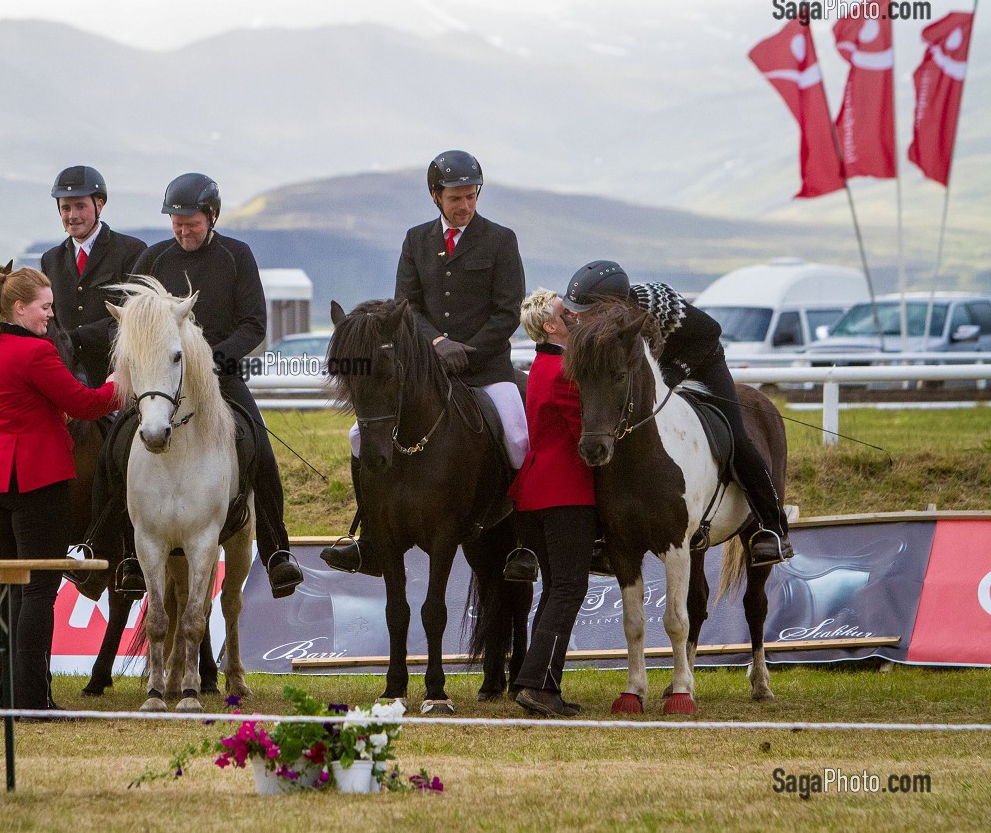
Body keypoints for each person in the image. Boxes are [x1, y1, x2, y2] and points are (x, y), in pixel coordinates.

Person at [322, 149, 527, 576]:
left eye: (471, 196)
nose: (466, 205)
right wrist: (436, 342)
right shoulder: (417, 240)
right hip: (429, 371)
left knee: (517, 438)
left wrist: (465, 350)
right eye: (456, 198)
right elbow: (407, 306)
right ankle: (370, 539)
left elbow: (507, 313)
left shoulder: (501, 240)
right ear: (436, 196)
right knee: (359, 436)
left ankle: (522, 542)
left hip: (487, 370)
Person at [119, 172, 304, 599]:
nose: (183, 230)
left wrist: (211, 361)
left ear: (212, 216)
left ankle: (278, 553)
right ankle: (114, 548)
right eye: (177, 222)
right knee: (116, 442)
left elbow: (254, 323)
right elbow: (132, 321)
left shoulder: (237, 256)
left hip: (221, 376)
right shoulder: (153, 259)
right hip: (161, 380)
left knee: (260, 448)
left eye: (192, 222)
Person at [559, 260, 793, 566]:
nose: (577, 315)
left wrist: (671, 376)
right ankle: (607, 537)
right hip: (660, 373)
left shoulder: (659, 304)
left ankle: (772, 528)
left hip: (703, 364)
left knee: (737, 438)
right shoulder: (601, 329)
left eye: (584, 309)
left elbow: (711, 331)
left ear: (608, 305)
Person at [0, 267, 122, 714]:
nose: (50, 317)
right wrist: (120, 384)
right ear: (19, 307)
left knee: (13, 585)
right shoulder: (36, 352)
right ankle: (32, 697)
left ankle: (9, 693)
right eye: (45, 307)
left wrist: (35, 413)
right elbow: (85, 403)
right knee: (39, 589)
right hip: (37, 478)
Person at [507, 290, 595, 717]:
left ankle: (540, 682)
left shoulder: (541, 366)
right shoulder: (563, 370)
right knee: (568, 588)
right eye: (566, 313)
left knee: (555, 590)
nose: (574, 316)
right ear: (550, 326)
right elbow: (583, 431)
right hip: (565, 491)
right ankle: (536, 685)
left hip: (537, 490)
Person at [39, 165, 147, 386]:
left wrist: (75, 338)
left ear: (99, 205)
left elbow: (130, 316)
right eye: (65, 208)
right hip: (65, 373)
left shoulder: (131, 251)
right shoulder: (51, 260)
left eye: (80, 206)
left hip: (116, 374)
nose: (72, 216)